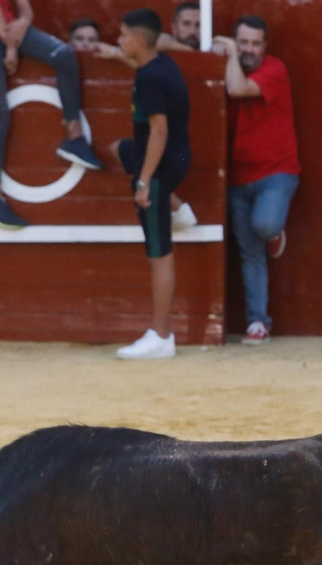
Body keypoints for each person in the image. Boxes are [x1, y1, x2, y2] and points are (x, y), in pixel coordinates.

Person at [0, 0, 102, 229]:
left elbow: (24, 6)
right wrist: (10, 46)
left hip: (8, 27)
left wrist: (23, 21)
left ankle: (74, 137)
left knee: (64, 55)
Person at [211, 17, 300, 345]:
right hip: (238, 177)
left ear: (265, 46)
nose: (249, 50)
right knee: (249, 254)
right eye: (243, 42)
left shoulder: (274, 70)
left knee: (262, 227)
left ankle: (275, 232)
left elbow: (237, 89)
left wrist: (230, 52)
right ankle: (258, 323)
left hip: (276, 172)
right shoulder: (228, 65)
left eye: (254, 44)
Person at [111, 9, 190, 361]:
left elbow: (159, 130)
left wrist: (143, 181)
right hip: (170, 160)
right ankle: (179, 207)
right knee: (119, 149)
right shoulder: (160, 67)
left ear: (139, 41)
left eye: (123, 35)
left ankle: (161, 335)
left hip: (158, 169)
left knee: (159, 254)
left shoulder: (149, 79)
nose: (119, 40)